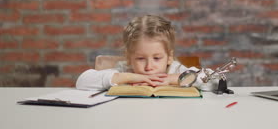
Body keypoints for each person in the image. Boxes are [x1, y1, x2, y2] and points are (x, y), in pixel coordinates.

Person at [76, 14, 210, 91]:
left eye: (157, 58)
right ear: (129, 58)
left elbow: (215, 81)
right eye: (140, 58)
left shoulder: (175, 69)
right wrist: (130, 77)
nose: (148, 67)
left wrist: (173, 79)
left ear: (169, 57)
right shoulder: (124, 69)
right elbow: (82, 81)